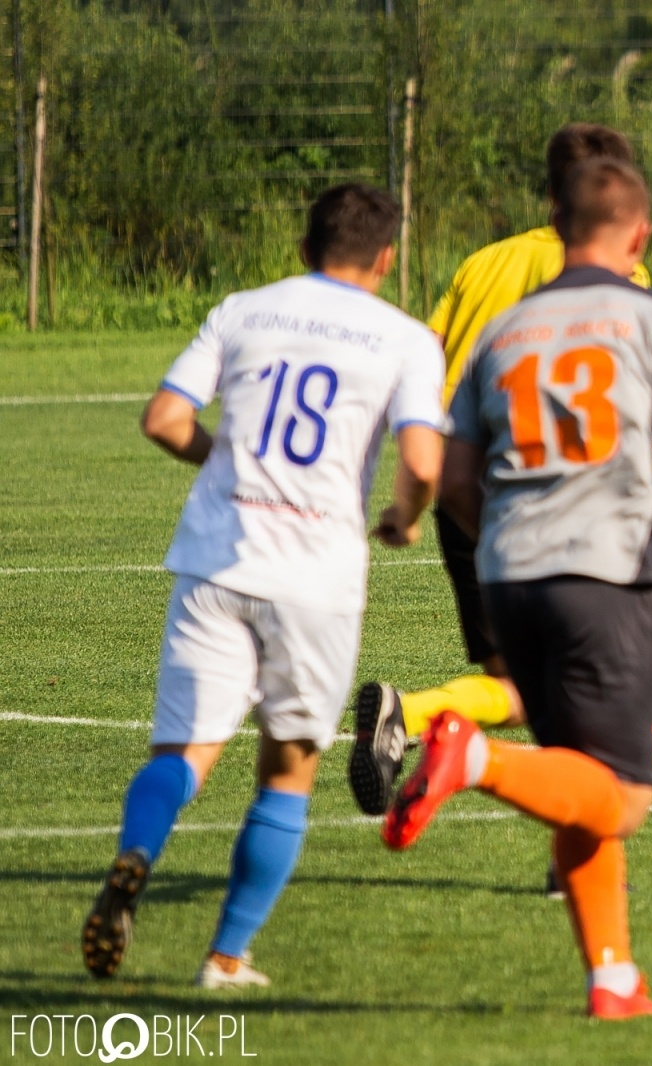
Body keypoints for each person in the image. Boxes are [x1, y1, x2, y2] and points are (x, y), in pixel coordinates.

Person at [381, 157, 652, 1020]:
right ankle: (472, 757)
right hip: (602, 577)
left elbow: (454, 474)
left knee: (578, 767)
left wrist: (499, 534)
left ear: (556, 227)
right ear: (639, 234)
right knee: (627, 792)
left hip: (506, 573)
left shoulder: (505, 329)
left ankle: (611, 977)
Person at [81, 184, 444, 988]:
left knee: (183, 753)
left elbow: (165, 419)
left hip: (215, 558)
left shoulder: (244, 308)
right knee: (287, 771)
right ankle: (225, 957)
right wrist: (404, 516)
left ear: (304, 246)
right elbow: (422, 463)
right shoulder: (406, 338)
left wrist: (222, 460)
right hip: (314, 577)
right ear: (387, 257)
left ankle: (135, 856)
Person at [346, 123, 652, 820]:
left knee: (523, 686)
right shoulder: (620, 272)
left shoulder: (483, 262)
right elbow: (626, 387)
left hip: (465, 490)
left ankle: (411, 717)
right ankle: (582, 836)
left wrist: (415, 490)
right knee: (608, 711)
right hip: (565, 500)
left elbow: (427, 358)